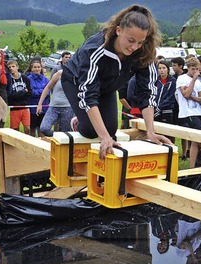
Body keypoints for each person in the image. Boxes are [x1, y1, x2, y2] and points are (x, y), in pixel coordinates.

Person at [62, 4, 171, 160]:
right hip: (75, 82)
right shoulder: (94, 49)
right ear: (118, 30)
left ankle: (98, 127)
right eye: (131, 40)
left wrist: (151, 132)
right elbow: (88, 93)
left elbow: (147, 92)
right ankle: (78, 121)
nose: (134, 47)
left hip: (107, 87)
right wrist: (104, 138)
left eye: (140, 42)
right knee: (92, 131)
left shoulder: (145, 52)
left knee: (111, 129)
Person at [175, 56, 201, 169]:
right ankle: (195, 159)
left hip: (198, 112)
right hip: (187, 113)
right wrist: (193, 80)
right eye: (193, 69)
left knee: (197, 139)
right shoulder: (182, 79)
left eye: (196, 69)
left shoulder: (198, 83)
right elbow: (185, 94)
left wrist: (193, 97)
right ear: (188, 68)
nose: (195, 71)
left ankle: (194, 163)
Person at [38, 69, 75, 136]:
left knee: (65, 133)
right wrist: (40, 104)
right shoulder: (59, 73)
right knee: (44, 128)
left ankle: (62, 140)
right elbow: (48, 87)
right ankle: (57, 136)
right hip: (53, 106)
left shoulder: (77, 75)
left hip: (68, 107)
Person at [6, 60, 31, 135]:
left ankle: (27, 142)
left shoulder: (25, 78)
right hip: (14, 107)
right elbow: (10, 95)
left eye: (13, 66)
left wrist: (21, 95)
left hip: (24, 106)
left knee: (27, 128)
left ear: (17, 67)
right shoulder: (8, 80)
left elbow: (29, 91)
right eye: (9, 67)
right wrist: (23, 92)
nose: (11, 68)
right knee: (14, 129)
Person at [27, 59, 49, 137]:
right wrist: (42, 91)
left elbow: (48, 92)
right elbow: (31, 92)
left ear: (41, 68)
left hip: (44, 107)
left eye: (38, 67)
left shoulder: (46, 79)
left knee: (41, 129)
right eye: (35, 67)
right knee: (32, 129)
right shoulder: (28, 79)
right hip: (32, 107)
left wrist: (38, 91)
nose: (37, 69)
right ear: (31, 68)